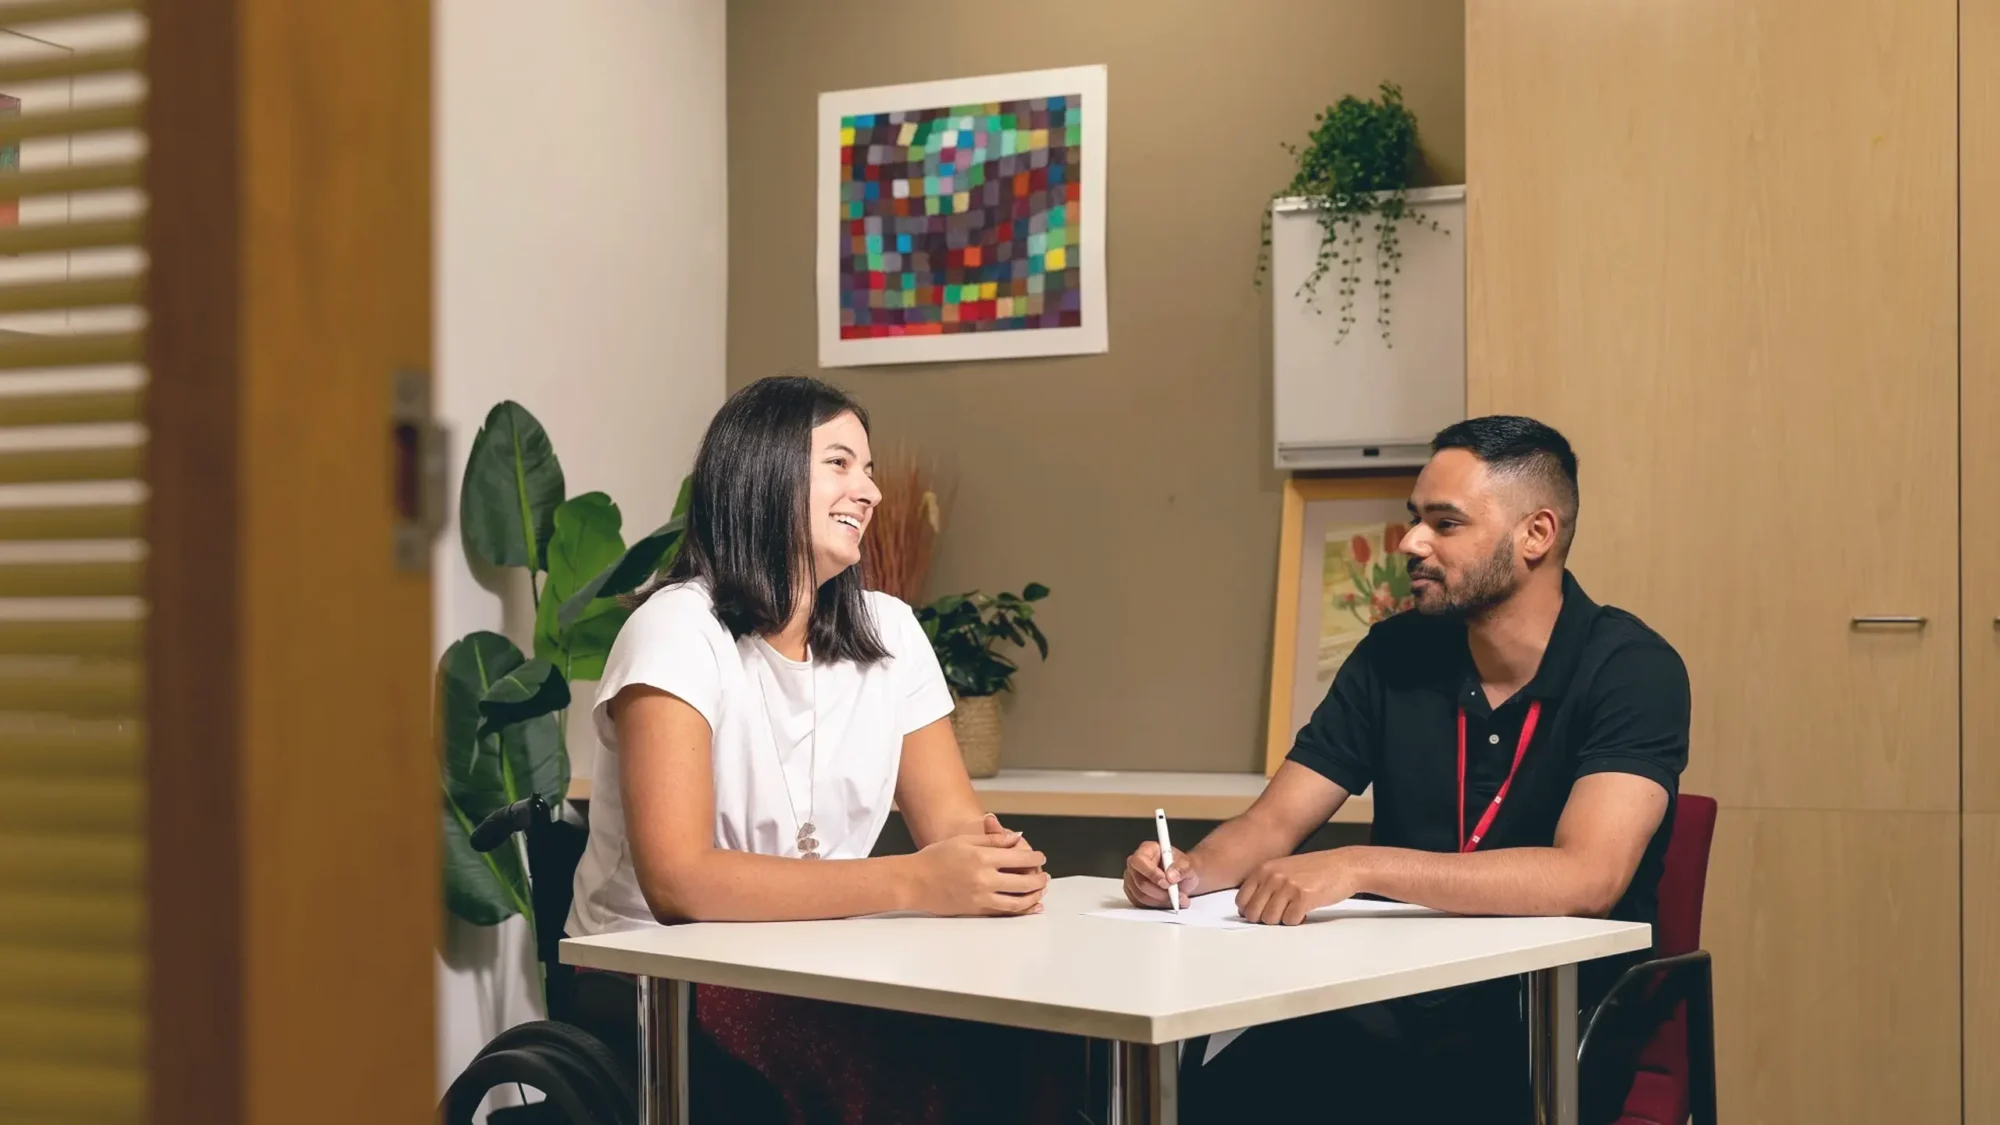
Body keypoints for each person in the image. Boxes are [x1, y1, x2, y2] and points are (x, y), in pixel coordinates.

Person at [1122, 416, 1690, 1124]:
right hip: (1393, 1001)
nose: (1411, 543)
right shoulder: (1395, 653)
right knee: (1218, 1093)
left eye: (1445, 524)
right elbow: (1276, 819)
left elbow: (1588, 877)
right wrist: (1188, 869)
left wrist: (1358, 865)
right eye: (1413, 519)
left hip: (1546, 1023)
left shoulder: (1633, 670)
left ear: (1536, 535)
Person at [567, 374, 1079, 1124]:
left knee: (1028, 1040)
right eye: (840, 463)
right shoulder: (677, 631)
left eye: (868, 470)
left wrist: (999, 864)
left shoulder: (892, 632)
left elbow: (954, 826)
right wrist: (912, 882)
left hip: (823, 964)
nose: (868, 491)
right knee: (891, 1059)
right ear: (762, 474)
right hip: (658, 978)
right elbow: (680, 882)